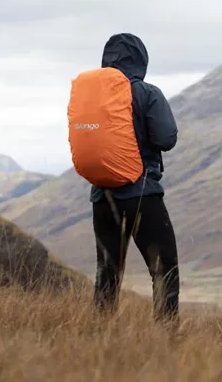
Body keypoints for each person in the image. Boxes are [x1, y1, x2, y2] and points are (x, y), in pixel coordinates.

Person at [88, 33, 180, 324]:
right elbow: (166, 138)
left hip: (102, 197)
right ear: (141, 59)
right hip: (142, 195)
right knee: (164, 268)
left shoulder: (94, 97)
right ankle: (167, 338)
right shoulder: (146, 93)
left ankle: (99, 335)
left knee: (108, 272)